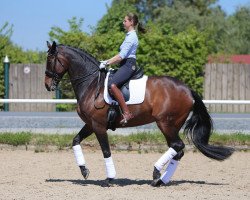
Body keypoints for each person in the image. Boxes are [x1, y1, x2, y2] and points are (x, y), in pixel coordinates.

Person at [99, 12, 146, 125]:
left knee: (112, 85)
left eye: (125, 21)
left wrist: (106, 63)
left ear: (131, 22)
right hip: (125, 64)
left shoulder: (132, 37)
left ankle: (126, 112)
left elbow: (121, 56)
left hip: (128, 65)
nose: (123, 22)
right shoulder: (129, 36)